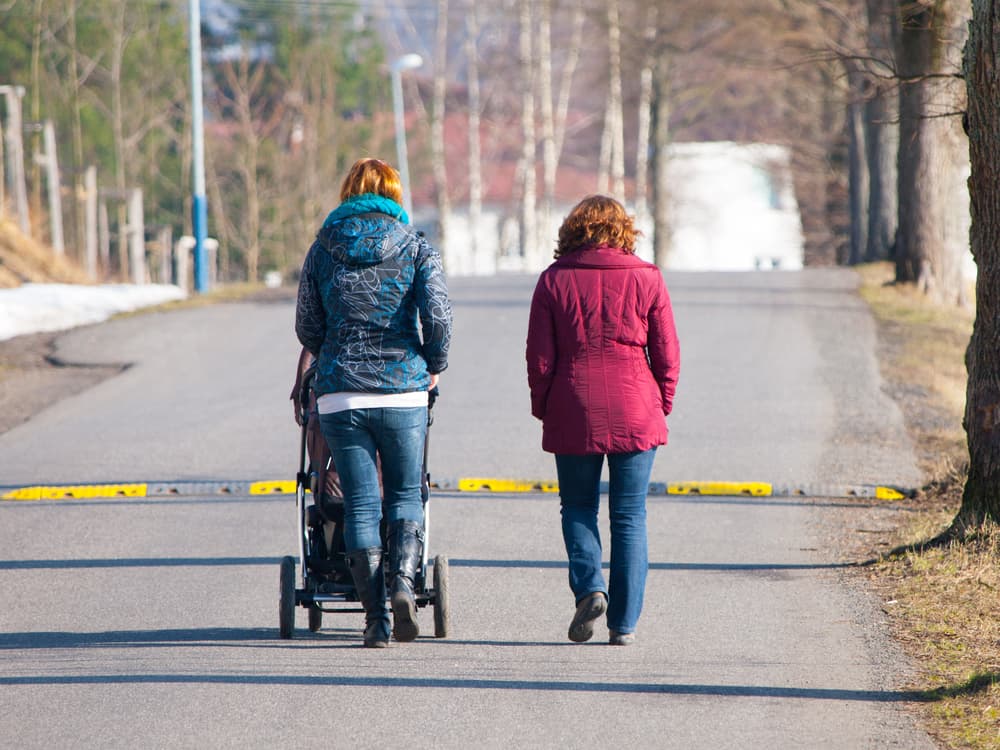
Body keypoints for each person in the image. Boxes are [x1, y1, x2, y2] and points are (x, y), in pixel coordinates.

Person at [295, 158, 452, 648]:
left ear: (348, 193)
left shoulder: (322, 248)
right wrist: (433, 363)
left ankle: (376, 621)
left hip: (340, 394)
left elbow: (307, 325)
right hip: (403, 389)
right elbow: (440, 316)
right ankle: (403, 584)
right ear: (395, 194)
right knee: (405, 495)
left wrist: (330, 353)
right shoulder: (416, 246)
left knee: (361, 503)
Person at [525, 195, 680, 646]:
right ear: (623, 231)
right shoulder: (648, 277)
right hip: (637, 405)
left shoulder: (553, 281)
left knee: (577, 506)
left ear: (572, 232)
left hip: (574, 404)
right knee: (630, 515)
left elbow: (539, 359)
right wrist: (660, 404)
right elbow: (667, 354)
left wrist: (545, 407)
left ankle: (591, 587)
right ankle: (624, 624)